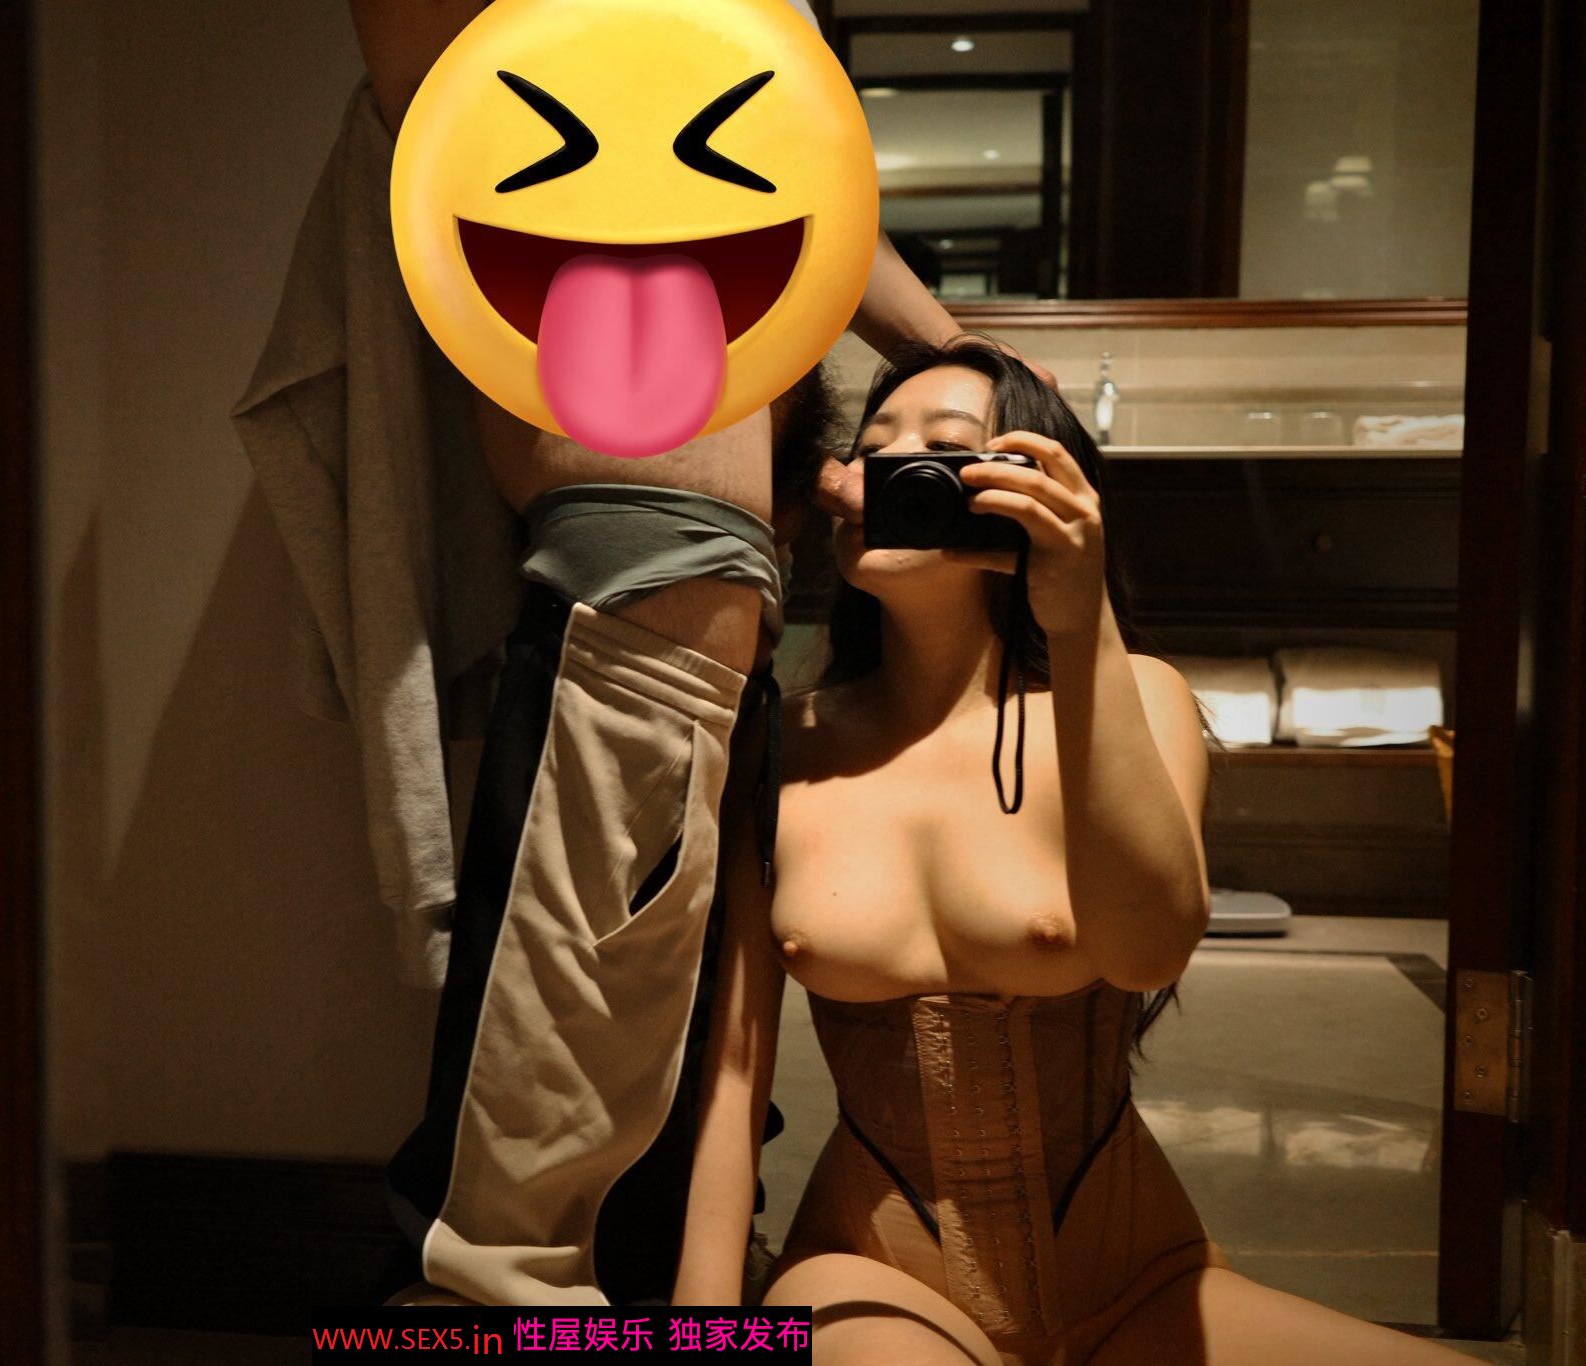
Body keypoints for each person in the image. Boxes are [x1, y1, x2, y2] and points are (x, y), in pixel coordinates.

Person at [328, 0, 1054, 1308]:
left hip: (701, 639)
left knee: (645, 1076)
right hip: (633, 623)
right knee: (540, 1145)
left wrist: (963, 365)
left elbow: (802, 202)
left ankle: (665, 1316)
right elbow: (429, 87)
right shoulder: (563, 49)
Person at [672, 337, 1477, 1363]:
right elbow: (733, 1070)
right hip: (868, 1272)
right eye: (872, 451)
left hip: (1136, 1278)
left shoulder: (1139, 694)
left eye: (943, 451)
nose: (892, 471)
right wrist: (697, 1328)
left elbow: (1148, 952)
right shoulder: (787, 741)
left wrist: (1079, 616)